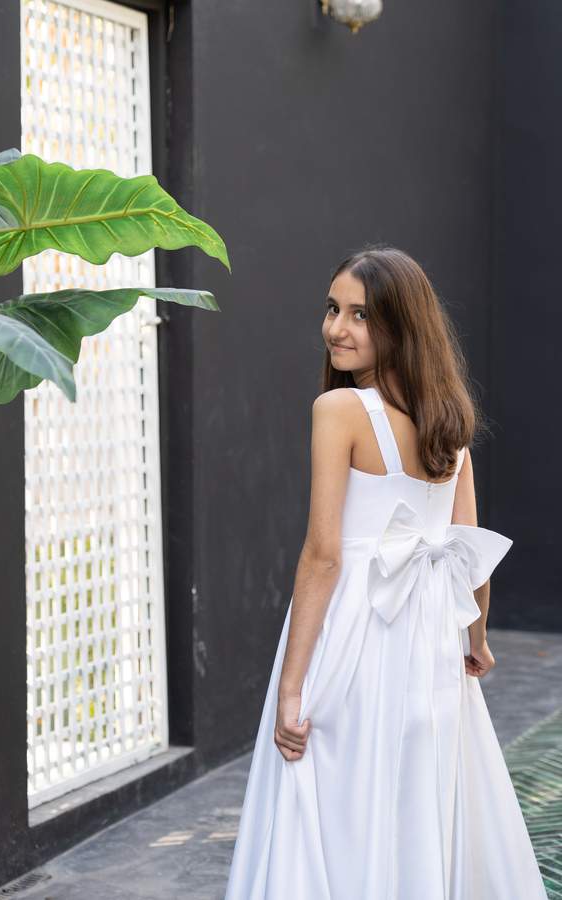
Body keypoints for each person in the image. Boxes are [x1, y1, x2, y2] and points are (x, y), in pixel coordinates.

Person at [224, 246, 547, 899]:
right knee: (416, 792)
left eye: (360, 315)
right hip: (429, 640)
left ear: (401, 325)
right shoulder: (449, 420)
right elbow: (467, 550)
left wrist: (291, 687)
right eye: (332, 309)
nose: (336, 328)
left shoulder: (339, 410)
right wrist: (476, 640)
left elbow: (323, 554)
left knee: (333, 793)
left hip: (352, 629)